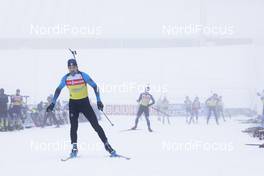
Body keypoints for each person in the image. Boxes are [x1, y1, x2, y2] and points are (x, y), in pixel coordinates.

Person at [46, 58, 116, 158]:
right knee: (73, 127)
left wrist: (99, 100)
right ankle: (74, 148)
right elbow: (58, 90)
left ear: (76, 66)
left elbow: (95, 86)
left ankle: (107, 145)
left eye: (73, 67)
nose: (71, 69)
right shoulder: (66, 78)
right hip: (73, 104)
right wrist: (53, 103)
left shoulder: (83, 76)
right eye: (69, 67)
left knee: (95, 125)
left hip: (84, 103)